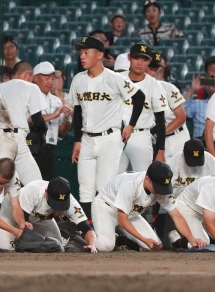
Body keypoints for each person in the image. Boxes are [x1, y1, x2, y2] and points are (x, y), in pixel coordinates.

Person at [69, 36, 146, 222]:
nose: (82, 56)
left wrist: (130, 125)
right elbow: (78, 112)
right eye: (81, 53)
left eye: (86, 52)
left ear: (100, 55)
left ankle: (107, 228)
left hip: (109, 139)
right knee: (85, 188)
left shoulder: (114, 78)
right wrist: (77, 141)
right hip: (86, 138)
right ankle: (89, 232)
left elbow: (140, 96)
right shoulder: (78, 79)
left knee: (104, 188)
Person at [92, 161, 206, 252]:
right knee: (105, 246)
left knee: (153, 246)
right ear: (147, 179)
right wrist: (144, 239)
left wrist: (192, 238)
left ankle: (118, 239)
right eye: (157, 186)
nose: (160, 191)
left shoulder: (161, 189)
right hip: (106, 208)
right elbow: (122, 220)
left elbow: (177, 216)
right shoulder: (129, 184)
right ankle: (88, 236)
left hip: (130, 214)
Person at [0, 60, 48, 185]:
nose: (32, 80)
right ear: (28, 74)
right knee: (36, 185)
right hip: (17, 139)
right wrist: (43, 131)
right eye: (32, 78)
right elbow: (38, 120)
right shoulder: (31, 87)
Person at [0, 177, 97, 252]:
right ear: (46, 192)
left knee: (57, 246)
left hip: (40, 218)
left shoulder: (72, 203)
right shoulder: (33, 191)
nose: (58, 206)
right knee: (6, 248)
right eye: (55, 202)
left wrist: (92, 245)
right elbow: (20, 225)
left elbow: (87, 228)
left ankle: (65, 239)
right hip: (14, 211)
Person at [118, 43, 167, 174]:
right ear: (129, 57)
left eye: (144, 59)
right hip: (117, 136)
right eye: (136, 58)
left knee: (142, 181)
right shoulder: (117, 78)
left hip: (141, 136)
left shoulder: (155, 86)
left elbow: (161, 121)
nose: (139, 63)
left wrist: (161, 151)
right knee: (114, 182)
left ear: (149, 61)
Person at [146, 50, 190, 159]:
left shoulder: (168, 87)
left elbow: (181, 117)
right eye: (151, 68)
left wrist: (161, 133)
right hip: (156, 141)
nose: (154, 72)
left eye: (156, 69)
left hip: (177, 137)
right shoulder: (137, 90)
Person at [33, 61, 72, 180]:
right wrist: (54, 114)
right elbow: (31, 120)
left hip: (49, 149)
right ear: (35, 78)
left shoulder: (56, 101)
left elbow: (63, 131)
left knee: (46, 187)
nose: (51, 82)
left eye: (53, 78)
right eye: (47, 77)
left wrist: (66, 117)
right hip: (32, 149)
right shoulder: (29, 97)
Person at [184, 73, 215, 139]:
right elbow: (180, 111)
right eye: (213, 86)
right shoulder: (197, 104)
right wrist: (192, 90)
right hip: (200, 143)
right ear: (207, 88)